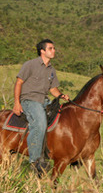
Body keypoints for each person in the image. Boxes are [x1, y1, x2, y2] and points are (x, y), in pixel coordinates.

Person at [13, 39, 70, 176]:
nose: (54, 50)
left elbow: (53, 89)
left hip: (44, 100)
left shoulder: (51, 70)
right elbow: (19, 83)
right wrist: (17, 102)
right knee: (40, 123)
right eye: (51, 48)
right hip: (29, 100)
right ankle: (35, 160)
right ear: (42, 51)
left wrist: (61, 95)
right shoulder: (30, 65)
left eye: (54, 48)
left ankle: (49, 152)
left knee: (61, 117)